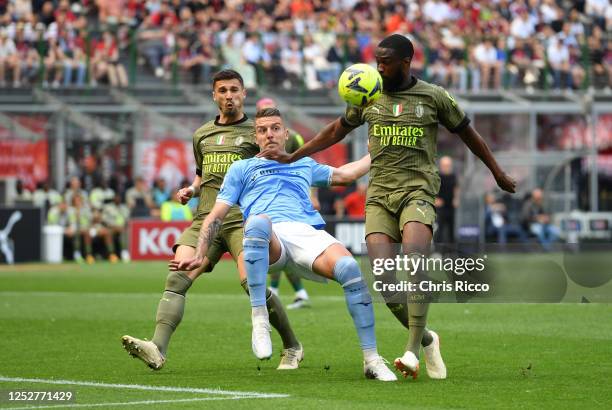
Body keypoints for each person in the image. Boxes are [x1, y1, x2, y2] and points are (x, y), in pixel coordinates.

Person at [259, 34, 516, 379]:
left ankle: (409, 352)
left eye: (385, 61)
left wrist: (497, 171)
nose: (378, 66)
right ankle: (426, 339)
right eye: (376, 60)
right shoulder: (369, 94)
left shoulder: (433, 96)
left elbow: (468, 133)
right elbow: (337, 129)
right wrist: (294, 155)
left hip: (418, 190)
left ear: (406, 62)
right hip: (379, 193)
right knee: (384, 280)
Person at [173, 108, 397, 381]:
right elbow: (214, 216)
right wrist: (199, 253)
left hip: (305, 233)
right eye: (263, 130)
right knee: (258, 222)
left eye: (275, 128)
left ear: (286, 134)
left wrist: (377, 150)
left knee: (350, 268)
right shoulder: (241, 168)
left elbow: (346, 175)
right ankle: (260, 320)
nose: (269, 134)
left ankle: (371, 359)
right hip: (268, 240)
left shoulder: (302, 163)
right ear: (256, 138)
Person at [121, 70, 301, 371]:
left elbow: (279, 165)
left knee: (252, 284)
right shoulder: (202, 134)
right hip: (205, 219)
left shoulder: (257, 132)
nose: (228, 95)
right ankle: (157, 348)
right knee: (176, 278)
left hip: (242, 221)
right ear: (213, 95)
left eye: (234, 90)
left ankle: (293, 346)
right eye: (222, 90)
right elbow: (203, 174)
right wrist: (192, 189)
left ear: (244, 94)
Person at [255, 97, 311, 309]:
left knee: (282, 250)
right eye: (263, 111)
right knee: (277, 250)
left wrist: (311, 196)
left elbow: (306, 166)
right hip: (267, 202)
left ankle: (280, 292)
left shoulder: (295, 139)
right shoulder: (257, 140)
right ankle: (295, 293)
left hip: (291, 203)